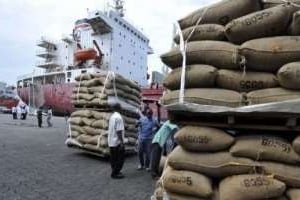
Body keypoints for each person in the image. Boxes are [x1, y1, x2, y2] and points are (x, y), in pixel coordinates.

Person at [108, 103, 126, 179]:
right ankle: (115, 173)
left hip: (111, 141)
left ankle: (115, 171)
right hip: (117, 142)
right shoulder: (119, 117)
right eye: (121, 107)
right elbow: (119, 131)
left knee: (113, 158)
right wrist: (122, 142)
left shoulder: (112, 116)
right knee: (120, 158)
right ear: (119, 108)